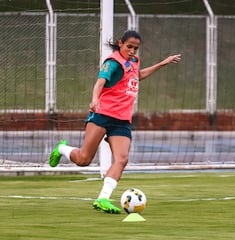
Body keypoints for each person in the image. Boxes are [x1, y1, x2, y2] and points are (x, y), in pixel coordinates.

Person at [49, 30, 181, 214]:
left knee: (122, 159)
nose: (133, 51)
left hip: (122, 121)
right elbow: (99, 83)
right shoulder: (112, 62)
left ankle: (102, 198)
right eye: (129, 47)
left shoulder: (134, 62)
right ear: (120, 43)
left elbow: (137, 76)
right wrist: (95, 99)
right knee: (84, 159)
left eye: (136, 48)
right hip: (102, 115)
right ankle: (61, 149)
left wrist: (162, 63)